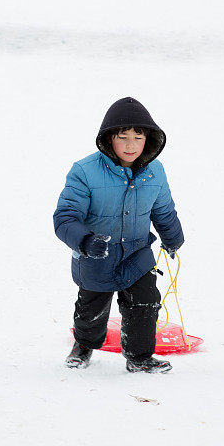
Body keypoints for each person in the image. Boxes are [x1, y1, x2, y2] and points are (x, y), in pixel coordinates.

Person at [52, 97, 185, 373]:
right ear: (108, 139)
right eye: (122, 137)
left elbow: (163, 208)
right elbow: (65, 217)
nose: (130, 144)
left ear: (148, 140)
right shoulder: (85, 171)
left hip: (137, 253)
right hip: (96, 255)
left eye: (138, 137)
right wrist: (86, 242)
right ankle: (84, 344)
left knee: (145, 301)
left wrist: (172, 237)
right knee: (92, 308)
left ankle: (139, 357)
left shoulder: (154, 172)